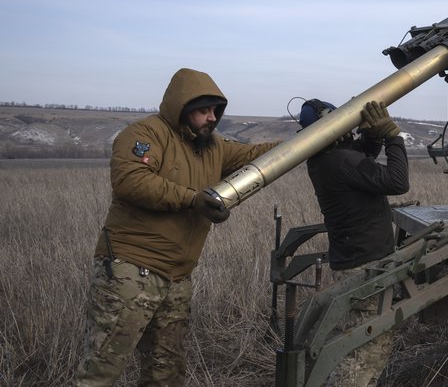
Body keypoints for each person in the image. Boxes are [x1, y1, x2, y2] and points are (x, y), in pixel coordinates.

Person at [73, 68, 279, 386]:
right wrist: (193, 200)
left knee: (166, 372)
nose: (212, 118)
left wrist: (315, 137)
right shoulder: (145, 135)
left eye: (215, 111)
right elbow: (132, 181)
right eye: (203, 110)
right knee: (102, 369)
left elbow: (256, 155)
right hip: (131, 271)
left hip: (177, 279)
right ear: (181, 108)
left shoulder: (213, 146)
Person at [299, 98, 410, 387]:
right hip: (365, 265)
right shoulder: (342, 161)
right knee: (365, 347)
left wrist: (370, 135)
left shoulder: (324, 160)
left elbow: (361, 155)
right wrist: (392, 136)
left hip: (354, 259)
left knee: (359, 339)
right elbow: (397, 182)